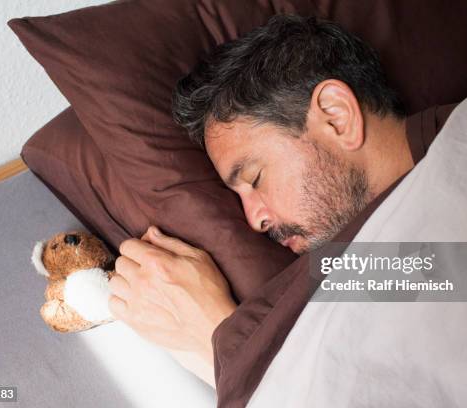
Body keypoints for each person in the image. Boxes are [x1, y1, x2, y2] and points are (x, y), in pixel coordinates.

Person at [107, 15, 422, 369]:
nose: (255, 220)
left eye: (255, 178)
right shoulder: (359, 266)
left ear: (336, 117)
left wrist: (213, 336)